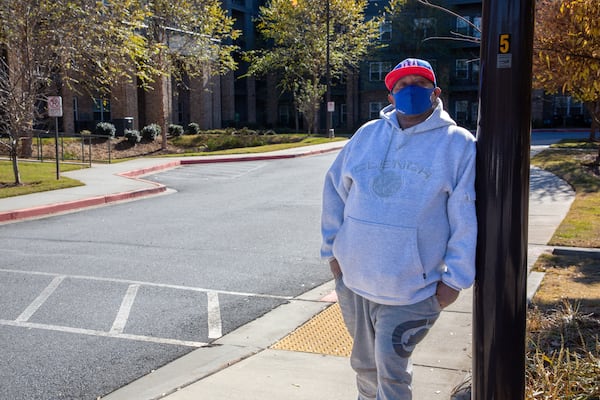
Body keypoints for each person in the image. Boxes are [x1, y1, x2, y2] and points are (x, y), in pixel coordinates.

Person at [320, 58, 477, 400]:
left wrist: (454, 280)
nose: (409, 91)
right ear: (390, 96)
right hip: (355, 282)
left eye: (418, 84)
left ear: (435, 93)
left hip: (411, 290)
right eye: (401, 85)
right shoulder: (367, 135)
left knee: (391, 373)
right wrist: (332, 252)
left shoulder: (458, 144)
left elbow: (464, 216)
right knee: (364, 364)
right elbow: (335, 189)